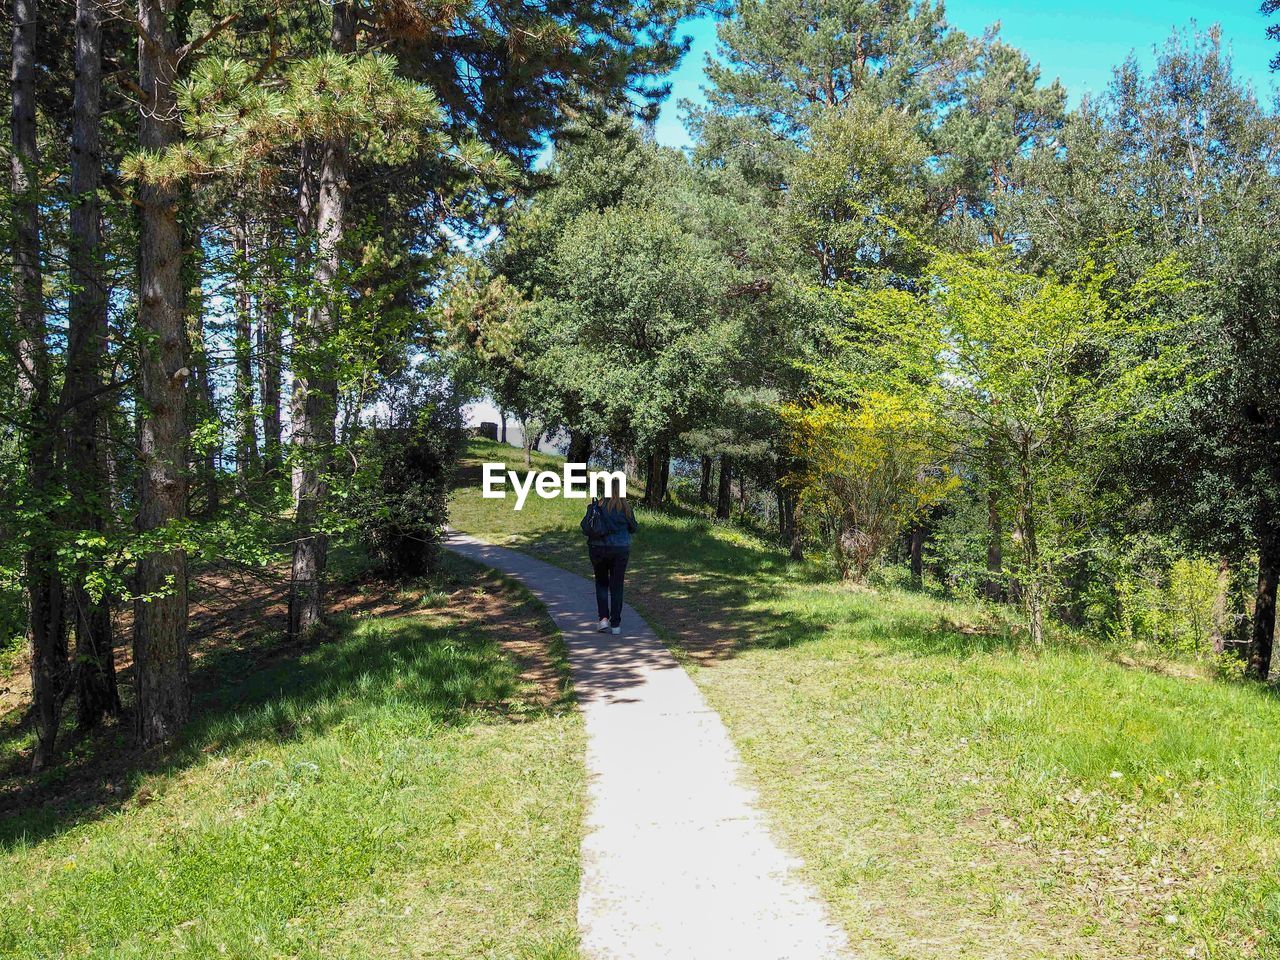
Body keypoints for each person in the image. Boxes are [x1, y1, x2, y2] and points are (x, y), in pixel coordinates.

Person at [580, 493, 638, 635]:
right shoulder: (625, 508)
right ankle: (616, 625)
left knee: (601, 583)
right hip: (620, 549)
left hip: (598, 548)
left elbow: (585, 527)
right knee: (617, 585)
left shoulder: (597, 506)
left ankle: (603, 619)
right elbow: (634, 528)